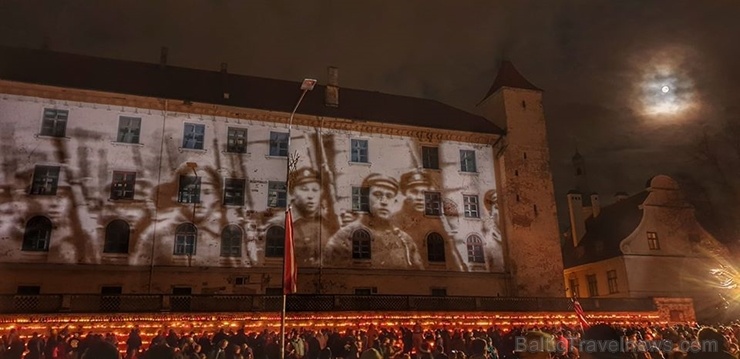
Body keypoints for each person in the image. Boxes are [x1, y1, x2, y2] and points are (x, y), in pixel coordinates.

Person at [325, 173, 423, 269]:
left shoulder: (405, 240)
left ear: (394, 201)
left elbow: (418, 278)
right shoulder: (345, 236)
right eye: (377, 195)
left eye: (389, 196)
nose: (384, 202)